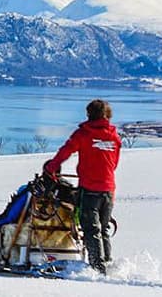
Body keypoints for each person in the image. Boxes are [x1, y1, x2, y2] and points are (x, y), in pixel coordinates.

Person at [44, 99, 121, 274]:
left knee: (91, 229)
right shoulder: (114, 136)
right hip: (109, 189)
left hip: (90, 189)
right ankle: (107, 262)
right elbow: (114, 164)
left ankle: (97, 269)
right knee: (103, 228)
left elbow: (65, 152)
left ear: (89, 114)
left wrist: (51, 168)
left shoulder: (84, 134)